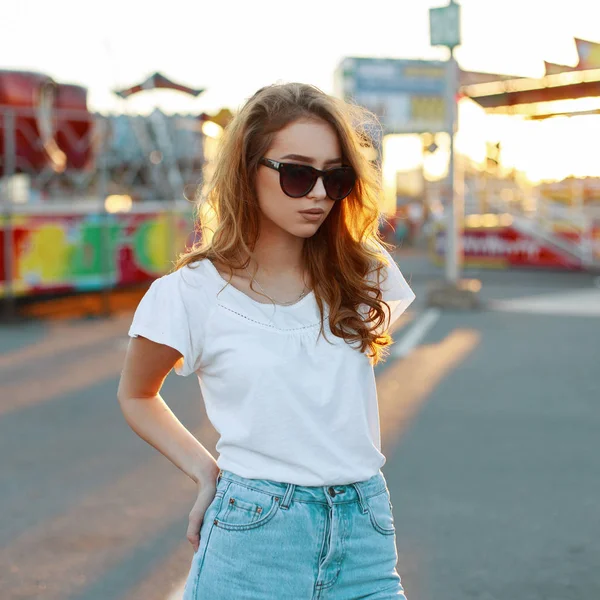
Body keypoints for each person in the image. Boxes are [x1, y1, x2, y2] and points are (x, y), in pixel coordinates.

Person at [117, 82, 415, 599]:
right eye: (299, 174)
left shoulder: (363, 271)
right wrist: (203, 470)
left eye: (335, 176)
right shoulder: (190, 293)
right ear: (247, 170)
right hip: (254, 537)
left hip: (364, 530)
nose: (320, 193)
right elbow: (136, 394)